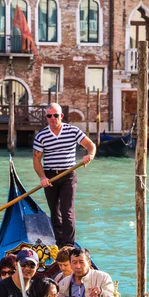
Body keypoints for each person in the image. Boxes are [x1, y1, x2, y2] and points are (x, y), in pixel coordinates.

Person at [33, 103, 96, 247]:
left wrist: (90, 155)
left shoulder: (73, 131)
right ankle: (60, 244)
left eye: (56, 115)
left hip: (68, 175)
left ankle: (69, 245)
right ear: (46, 117)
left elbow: (90, 145)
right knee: (55, 212)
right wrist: (42, 177)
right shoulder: (42, 136)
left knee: (67, 211)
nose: (53, 118)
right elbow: (36, 159)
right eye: (49, 116)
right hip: (50, 177)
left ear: (61, 116)